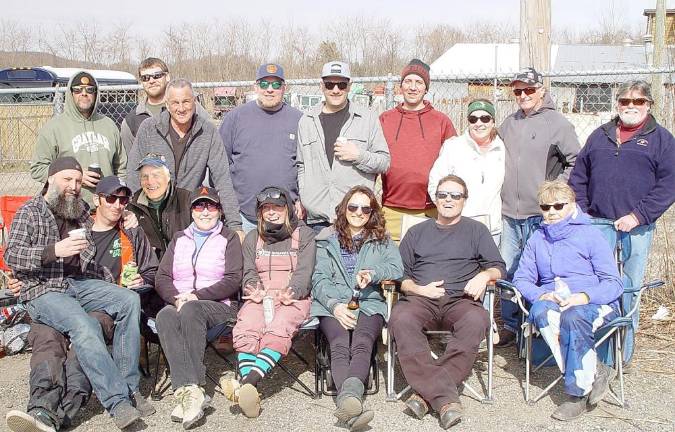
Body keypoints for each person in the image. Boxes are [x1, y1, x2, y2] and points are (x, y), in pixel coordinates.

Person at [4, 157, 152, 430]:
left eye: (77, 181)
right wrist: (54, 251)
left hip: (76, 284)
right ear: (49, 179)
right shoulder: (31, 211)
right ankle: (118, 402)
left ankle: (130, 387)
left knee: (129, 299)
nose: (73, 186)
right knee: (83, 325)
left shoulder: (79, 209)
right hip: (43, 290)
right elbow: (12, 254)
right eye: (67, 179)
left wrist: (127, 216)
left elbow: (104, 220)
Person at [568, 80, 675, 365]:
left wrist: (637, 216)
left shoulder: (662, 140)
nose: (631, 106)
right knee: (595, 286)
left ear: (649, 105)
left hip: (636, 229)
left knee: (628, 288)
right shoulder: (599, 135)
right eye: (625, 101)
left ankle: (621, 356)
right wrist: (584, 214)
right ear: (617, 104)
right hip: (598, 226)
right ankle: (595, 352)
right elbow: (579, 177)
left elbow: (668, 185)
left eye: (638, 101)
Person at [388, 174, 505, 430]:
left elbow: (498, 267)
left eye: (455, 195)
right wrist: (419, 289)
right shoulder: (416, 232)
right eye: (443, 194)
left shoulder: (477, 230)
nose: (448, 199)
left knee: (477, 320)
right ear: (435, 198)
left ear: (464, 200)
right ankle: (445, 400)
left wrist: (484, 276)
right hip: (421, 299)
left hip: (460, 301)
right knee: (400, 318)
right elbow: (399, 275)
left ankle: (424, 395)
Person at [513, 180, 623, 421]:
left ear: (572, 206)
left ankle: (577, 394)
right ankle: (596, 371)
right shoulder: (537, 239)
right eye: (545, 207)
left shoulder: (590, 235)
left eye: (558, 206)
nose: (551, 212)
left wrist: (584, 297)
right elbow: (522, 278)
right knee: (540, 311)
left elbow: (614, 283)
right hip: (555, 301)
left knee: (573, 317)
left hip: (595, 303)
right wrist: (542, 294)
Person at [497, 67, 581, 347]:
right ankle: (510, 323)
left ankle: (536, 324)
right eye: (518, 91)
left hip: (540, 214)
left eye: (529, 90)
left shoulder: (557, 123)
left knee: (540, 271)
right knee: (508, 269)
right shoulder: (508, 123)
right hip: (509, 212)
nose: (523, 95)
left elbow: (575, 161)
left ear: (541, 91)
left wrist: (554, 191)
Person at [311, 186, 403, 430]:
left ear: (372, 212)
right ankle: (351, 405)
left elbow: (397, 269)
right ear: (344, 209)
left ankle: (348, 402)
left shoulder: (381, 240)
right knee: (340, 344)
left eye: (365, 208)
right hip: (334, 304)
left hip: (369, 302)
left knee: (362, 343)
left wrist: (374, 274)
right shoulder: (326, 241)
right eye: (353, 207)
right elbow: (319, 279)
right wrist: (336, 306)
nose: (358, 212)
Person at [221, 186, 316, 418]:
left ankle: (248, 383)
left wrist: (293, 291)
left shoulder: (304, 235)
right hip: (261, 295)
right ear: (260, 212)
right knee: (246, 326)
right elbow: (248, 271)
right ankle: (249, 389)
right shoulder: (253, 237)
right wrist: (252, 288)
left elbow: (305, 272)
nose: (272, 213)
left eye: (277, 207)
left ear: (288, 209)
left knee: (279, 327)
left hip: (293, 297)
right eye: (266, 208)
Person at [154, 186, 243, 429]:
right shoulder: (179, 238)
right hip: (181, 303)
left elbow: (233, 279)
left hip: (219, 306)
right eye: (199, 206)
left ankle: (194, 386)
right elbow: (162, 277)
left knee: (192, 310)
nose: (205, 211)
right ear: (192, 210)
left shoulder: (229, 238)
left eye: (211, 206)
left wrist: (195, 296)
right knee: (164, 316)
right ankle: (189, 391)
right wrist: (176, 298)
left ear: (219, 210)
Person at [126, 78, 243, 235]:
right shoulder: (149, 129)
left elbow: (223, 180)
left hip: (188, 216)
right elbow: (134, 173)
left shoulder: (208, 132)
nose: (181, 108)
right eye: (175, 103)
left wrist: (235, 226)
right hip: (152, 213)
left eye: (186, 101)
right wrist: (134, 212)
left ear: (194, 102)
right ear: (167, 105)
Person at [297, 61, 390, 232]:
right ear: (321, 86)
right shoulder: (307, 121)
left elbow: (384, 162)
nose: (335, 90)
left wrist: (358, 156)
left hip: (355, 218)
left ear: (349, 86)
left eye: (341, 84)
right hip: (317, 220)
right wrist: (305, 195)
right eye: (329, 84)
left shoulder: (367, 119)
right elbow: (301, 165)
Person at [219, 63, 304, 232]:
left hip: (286, 216)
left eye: (276, 84)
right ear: (255, 87)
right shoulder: (235, 118)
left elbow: (306, 165)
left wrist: (302, 199)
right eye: (264, 84)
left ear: (284, 88)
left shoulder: (299, 120)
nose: (270, 89)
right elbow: (220, 166)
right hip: (245, 217)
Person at [379, 59, 456, 242]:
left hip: (429, 210)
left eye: (419, 82)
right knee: (393, 267)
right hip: (392, 210)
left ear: (426, 88)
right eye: (408, 81)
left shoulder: (441, 121)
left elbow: (455, 163)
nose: (413, 87)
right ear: (400, 86)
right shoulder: (384, 119)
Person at [30, 71, 127, 207]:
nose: (84, 93)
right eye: (77, 90)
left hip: (107, 208)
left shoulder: (109, 125)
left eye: (90, 89)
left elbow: (122, 167)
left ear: (96, 93)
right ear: (70, 94)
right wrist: (74, 177)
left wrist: (119, 196)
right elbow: (37, 168)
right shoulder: (54, 127)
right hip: (68, 208)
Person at [428, 99, 505, 244]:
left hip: (492, 229)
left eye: (485, 118)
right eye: (473, 119)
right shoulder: (453, 147)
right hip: (458, 227)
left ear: (493, 122)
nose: (479, 123)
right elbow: (435, 183)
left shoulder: (501, 148)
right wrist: (448, 214)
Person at [126, 153, 193, 259]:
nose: (150, 181)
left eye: (156, 175)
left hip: (185, 267)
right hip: (151, 272)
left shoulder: (187, 200)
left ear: (168, 177)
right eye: (145, 176)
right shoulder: (132, 208)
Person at [120, 57, 171, 154]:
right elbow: (131, 162)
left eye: (157, 76)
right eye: (145, 78)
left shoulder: (183, 109)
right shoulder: (131, 120)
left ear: (167, 77)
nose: (151, 81)